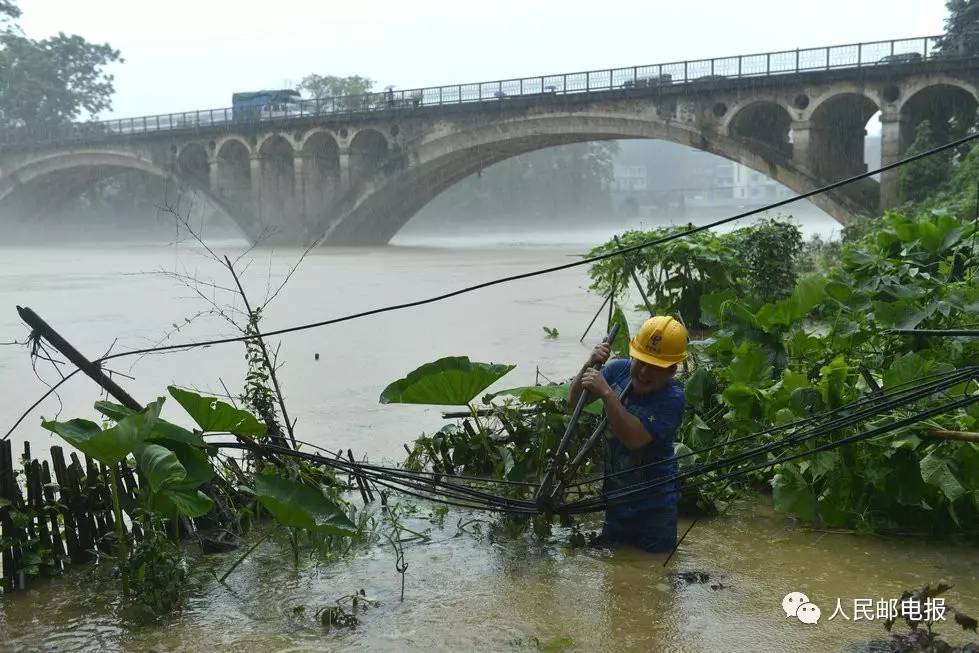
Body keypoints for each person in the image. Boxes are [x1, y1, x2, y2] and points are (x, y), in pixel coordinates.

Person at [568, 315, 688, 553]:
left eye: (655, 367)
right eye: (641, 361)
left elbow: (635, 439)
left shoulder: (673, 398)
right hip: (617, 496)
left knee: (654, 572)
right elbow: (574, 402)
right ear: (632, 355)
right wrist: (589, 365)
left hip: (656, 505)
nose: (644, 372)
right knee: (617, 574)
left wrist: (607, 393)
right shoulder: (616, 370)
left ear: (672, 370)